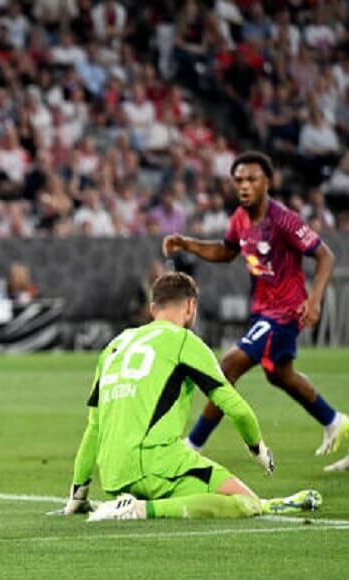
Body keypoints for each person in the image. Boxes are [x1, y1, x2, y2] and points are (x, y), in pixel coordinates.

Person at [64, 272, 321, 522]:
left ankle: (271, 504)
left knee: (248, 500)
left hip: (115, 476)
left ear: (154, 308)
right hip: (158, 464)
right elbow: (237, 409)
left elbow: (94, 429)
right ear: (191, 306)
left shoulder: (114, 346)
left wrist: (78, 494)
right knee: (245, 504)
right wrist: (258, 449)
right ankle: (141, 509)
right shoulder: (184, 341)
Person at [162, 151, 347, 471]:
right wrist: (189, 244)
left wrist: (314, 300)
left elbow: (325, 256)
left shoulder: (283, 219)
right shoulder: (240, 219)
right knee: (280, 375)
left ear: (268, 183)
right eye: (239, 181)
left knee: (228, 366)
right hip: (264, 311)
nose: (244, 186)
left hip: (286, 311)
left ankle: (192, 445)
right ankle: (335, 421)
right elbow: (225, 250)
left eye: (252, 179)